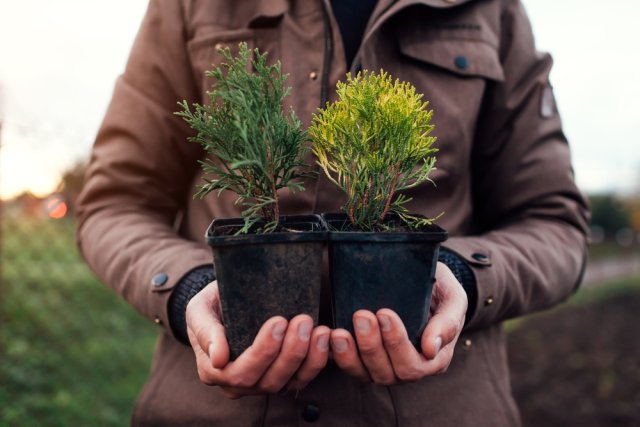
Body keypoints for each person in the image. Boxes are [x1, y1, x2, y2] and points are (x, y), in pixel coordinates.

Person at [76, 0, 589, 425]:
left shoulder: (492, 9)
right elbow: (115, 202)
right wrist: (189, 289)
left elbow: (554, 222)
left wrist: (457, 276)